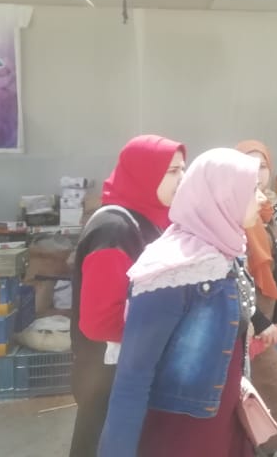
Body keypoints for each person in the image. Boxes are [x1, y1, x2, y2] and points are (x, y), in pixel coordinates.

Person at [99, 148, 274, 456]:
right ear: (223, 196)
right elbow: (133, 376)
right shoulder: (171, 270)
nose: (261, 198)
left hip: (224, 422)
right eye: (252, 190)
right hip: (182, 436)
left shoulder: (226, 253)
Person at [68, 135, 185, 457]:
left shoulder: (154, 219)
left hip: (134, 368)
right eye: (172, 171)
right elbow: (99, 322)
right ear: (144, 173)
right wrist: (170, 330)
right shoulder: (115, 229)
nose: (182, 179)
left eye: (183, 169)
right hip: (109, 378)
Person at [236, 140, 277, 453]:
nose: (257, 173)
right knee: (266, 390)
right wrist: (258, 320)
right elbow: (233, 273)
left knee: (264, 395)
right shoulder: (233, 210)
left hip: (266, 306)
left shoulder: (269, 205)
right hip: (246, 316)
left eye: (262, 166)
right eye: (249, 165)